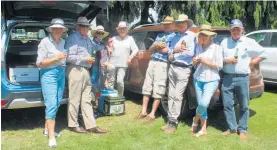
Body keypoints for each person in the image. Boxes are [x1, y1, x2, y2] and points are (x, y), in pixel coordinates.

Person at [221, 19, 266, 141]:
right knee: (227, 105)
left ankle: (243, 130)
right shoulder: (224, 42)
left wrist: (253, 62)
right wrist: (226, 61)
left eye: (238, 29)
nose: (235, 31)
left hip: (242, 78)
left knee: (244, 105)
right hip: (227, 78)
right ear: (230, 30)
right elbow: (219, 59)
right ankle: (232, 128)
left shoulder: (249, 41)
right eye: (233, 29)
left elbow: (264, 52)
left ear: (242, 30)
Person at [65, 17, 107, 134]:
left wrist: (103, 43)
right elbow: (68, 56)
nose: (85, 28)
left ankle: (91, 125)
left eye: (87, 26)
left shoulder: (88, 38)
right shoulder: (73, 38)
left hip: (85, 70)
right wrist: (85, 59)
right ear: (78, 27)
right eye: (82, 26)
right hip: (75, 69)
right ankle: (72, 125)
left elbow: (96, 47)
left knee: (87, 99)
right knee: (74, 99)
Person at [136, 16, 175, 123]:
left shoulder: (174, 37)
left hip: (162, 64)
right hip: (152, 61)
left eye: (168, 24)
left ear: (173, 25)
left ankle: (152, 114)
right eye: (165, 24)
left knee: (159, 88)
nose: (166, 26)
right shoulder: (160, 35)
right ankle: (143, 111)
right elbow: (151, 49)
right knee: (147, 86)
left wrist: (158, 47)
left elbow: (167, 50)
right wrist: (156, 46)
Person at [36, 18, 68, 147]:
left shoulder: (63, 42)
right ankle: (51, 137)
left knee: (57, 101)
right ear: (51, 29)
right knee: (51, 104)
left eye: (60, 29)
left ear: (62, 30)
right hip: (48, 73)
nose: (58, 30)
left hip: (61, 72)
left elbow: (64, 57)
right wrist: (56, 58)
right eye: (56, 28)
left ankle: (46, 130)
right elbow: (40, 63)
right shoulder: (44, 42)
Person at [162, 14, 196, 134]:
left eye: (182, 22)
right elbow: (169, 52)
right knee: (171, 94)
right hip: (173, 67)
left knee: (177, 95)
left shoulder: (192, 36)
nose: (180, 24)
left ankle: (173, 122)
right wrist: (174, 52)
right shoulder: (175, 37)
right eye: (179, 23)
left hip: (184, 69)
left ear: (187, 23)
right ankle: (170, 119)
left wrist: (174, 53)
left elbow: (190, 53)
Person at [191, 24, 223, 137]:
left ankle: (195, 119)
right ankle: (203, 129)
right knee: (201, 104)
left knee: (204, 103)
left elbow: (219, 66)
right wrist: (195, 61)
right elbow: (195, 66)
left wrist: (205, 62)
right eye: (201, 35)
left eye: (205, 35)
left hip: (211, 79)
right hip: (198, 78)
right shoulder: (198, 47)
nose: (203, 37)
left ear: (210, 37)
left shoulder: (216, 48)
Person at [108, 21, 139, 96]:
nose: (122, 30)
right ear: (118, 30)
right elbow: (109, 48)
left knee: (119, 81)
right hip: (112, 63)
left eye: (123, 29)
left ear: (126, 30)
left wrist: (130, 57)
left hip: (123, 63)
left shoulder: (130, 38)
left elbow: (136, 49)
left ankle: (120, 97)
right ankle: (109, 98)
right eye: (120, 29)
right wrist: (108, 48)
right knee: (111, 81)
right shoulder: (114, 38)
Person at [90, 25, 113, 89]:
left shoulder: (102, 43)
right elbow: (96, 49)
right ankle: (92, 95)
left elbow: (104, 55)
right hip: (93, 64)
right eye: (99, 33)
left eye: (102, 33)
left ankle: (96, 96)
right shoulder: (92, 42)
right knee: (93, 79)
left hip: (100, 65)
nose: (100, 35)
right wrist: (106, 47)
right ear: (95, 34)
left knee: (98, 80)